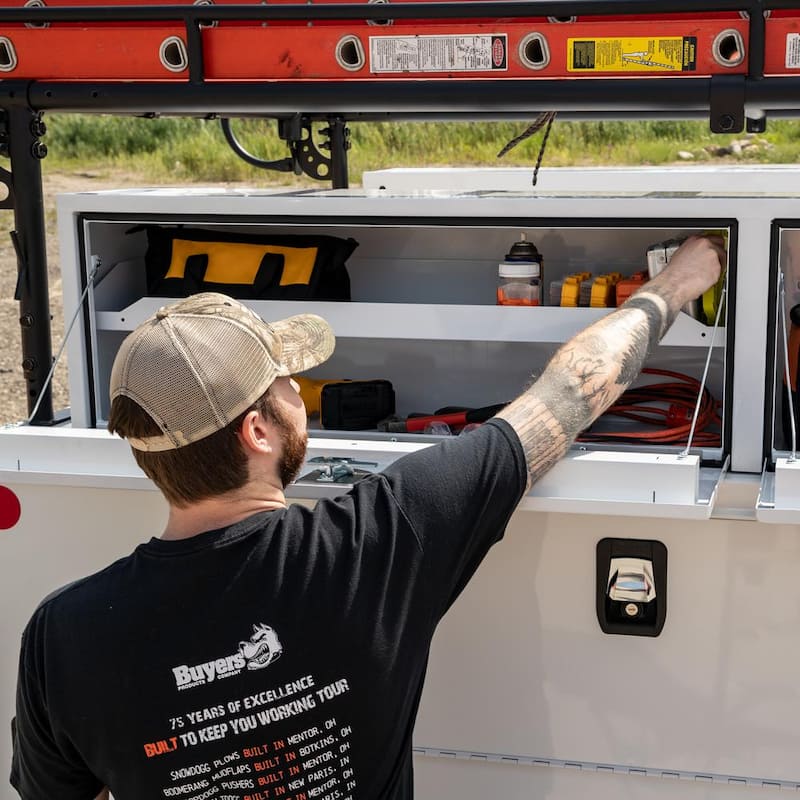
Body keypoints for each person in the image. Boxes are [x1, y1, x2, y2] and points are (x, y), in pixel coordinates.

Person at [10, 234, 724, 800]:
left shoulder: (63, 635)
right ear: (257, 433)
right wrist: (678, 281)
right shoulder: (380, 542)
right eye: (285, 382)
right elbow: (569, 395)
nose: (301, 389)